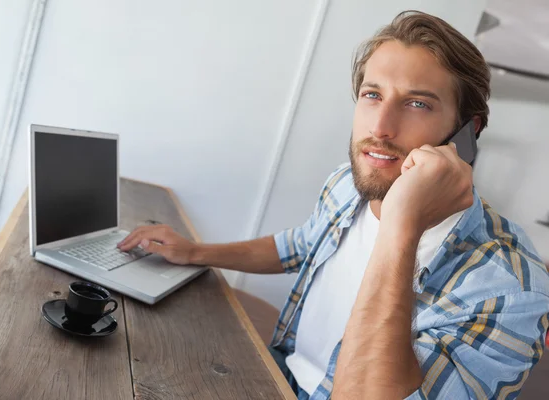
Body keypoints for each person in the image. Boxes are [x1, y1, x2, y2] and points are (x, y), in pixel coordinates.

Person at [117, 10, 549, 399]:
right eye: (372, 95)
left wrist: (401, 225)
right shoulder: (349, 185)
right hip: (277, 374)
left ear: (465, 133)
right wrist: (196, 252)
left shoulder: (511, 290)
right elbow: (301, 245)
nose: (380, 128)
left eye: (417, 103)